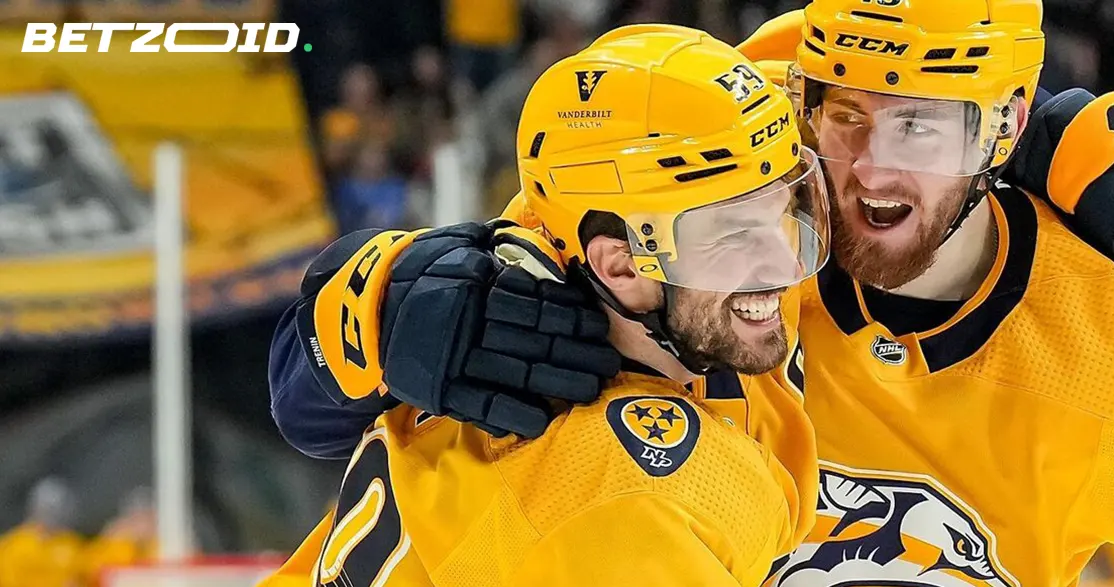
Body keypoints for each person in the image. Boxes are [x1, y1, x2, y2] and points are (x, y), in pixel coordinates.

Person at [266, 3, 1114, 586]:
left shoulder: (1096, 332)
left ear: (1006, 128)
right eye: (841, 111)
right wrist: (371, 307)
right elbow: (333, 382)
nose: (857, 166)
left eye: (924, 122)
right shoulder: (718, 207)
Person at [259, 25, 822, 585]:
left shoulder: (569, 233)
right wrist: (373, 309)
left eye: (782, 210)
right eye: (732, 235)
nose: (784, 263)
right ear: (621, 265)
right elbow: (304, 405)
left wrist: (384, 286)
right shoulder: (635, 494)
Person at [0, 477, 85, 587]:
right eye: (50, 510)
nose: (55, 515)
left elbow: (86, 571)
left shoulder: (69, 543)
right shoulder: (14, 545)